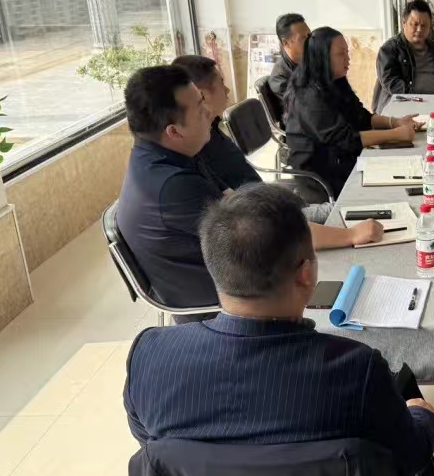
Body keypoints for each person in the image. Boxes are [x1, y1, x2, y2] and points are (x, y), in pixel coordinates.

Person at [124, 182, 434, 476]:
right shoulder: (354, 370)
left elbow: (158, 453)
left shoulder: (148, 360)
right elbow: (412, 456)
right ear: (306, 274)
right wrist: (423, 416)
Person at [116, 65, 382, 317]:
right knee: (352, 278)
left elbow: (238, 204)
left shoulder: (158, 156)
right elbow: (267, 233)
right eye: (199, 108)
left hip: (233, 273)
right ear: (174, 131)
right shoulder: (173, 186)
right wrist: (350, 235)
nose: (208, 113)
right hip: (225, 305)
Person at [174, 54, 335, 223]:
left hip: (268, 204)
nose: (227, 90)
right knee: (338, 212)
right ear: (202, 95)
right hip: (263, 220)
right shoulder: (197, 148)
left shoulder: (212, 130)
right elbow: (235, 209)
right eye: (221, 82)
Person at [284, 27, 423, 198]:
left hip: (344, 159)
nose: (348, 58)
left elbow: (361, 116)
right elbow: (347, 140)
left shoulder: (336, 80)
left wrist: (395, 122)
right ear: (322, 58)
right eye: (341, 54)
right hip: (322, 176)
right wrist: (397, 134)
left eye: (347, 52)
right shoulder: (309, 96)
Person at [372, 0, 434, 113]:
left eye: (424, 25)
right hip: (404, 105)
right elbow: (391, 82)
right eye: (415, 24)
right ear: (404, 23)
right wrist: (418, 98)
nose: (419, 29)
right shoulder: (389, 49)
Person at [267, 12, 310, 119]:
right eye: (303, 38)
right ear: (286, 43)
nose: (310, 41)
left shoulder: (308, 61)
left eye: (310, 35)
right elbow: (305, 108)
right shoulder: (279, 78)